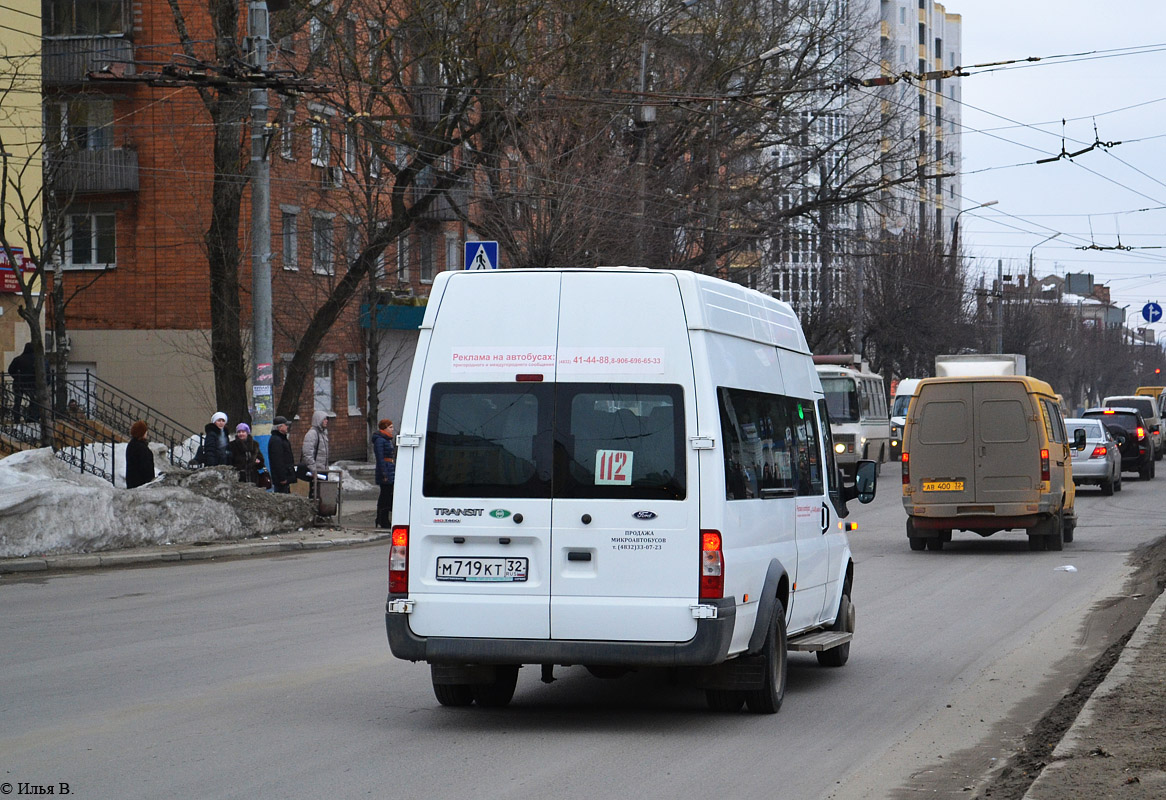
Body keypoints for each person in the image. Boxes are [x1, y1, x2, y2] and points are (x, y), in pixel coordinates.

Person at [372, 418, 396, 528]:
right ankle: (382, 519)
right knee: (385, 495)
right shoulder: (380, 440)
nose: (392, 429)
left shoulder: (387, 439)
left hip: (390, 468)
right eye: (390, 427)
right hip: (385, 469)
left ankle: (383, 518)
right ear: (384, 428)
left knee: (388, 494)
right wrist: (384, 473)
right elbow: (380, 458)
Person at [301, 410, 330, 498]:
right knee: (315, 494)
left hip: (322, 470)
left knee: (322, 494)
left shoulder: (323, 433)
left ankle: (321, 510)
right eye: (324, 419)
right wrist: (313, 469)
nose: (326, 421)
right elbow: (307, 453)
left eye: (326, 419)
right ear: (318, 420)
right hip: (315, 471)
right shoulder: (312, 434)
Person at [7, 342, 35, 423]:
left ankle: (16, 418)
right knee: (33, 401)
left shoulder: (18, 359)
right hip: (32, 384)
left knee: (17, 401)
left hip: (18, 384)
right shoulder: (37, 360)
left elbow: (10, 370)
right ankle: (31, 417)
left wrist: (17, 377)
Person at [267, 416, 296, 493]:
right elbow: (277, 461)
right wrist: (282, 478)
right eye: (285, 425)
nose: (287, 427)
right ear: (280, 427)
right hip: (282, 479)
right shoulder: (276, 440)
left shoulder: (281, 439)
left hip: (285, 476)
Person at [125, 420, 155, 489]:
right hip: (141, 486)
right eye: (145, 431)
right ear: (141, 433)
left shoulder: (131, 445)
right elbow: (146, 468)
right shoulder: (141, 448)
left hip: (132, 483)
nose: (146, 433)